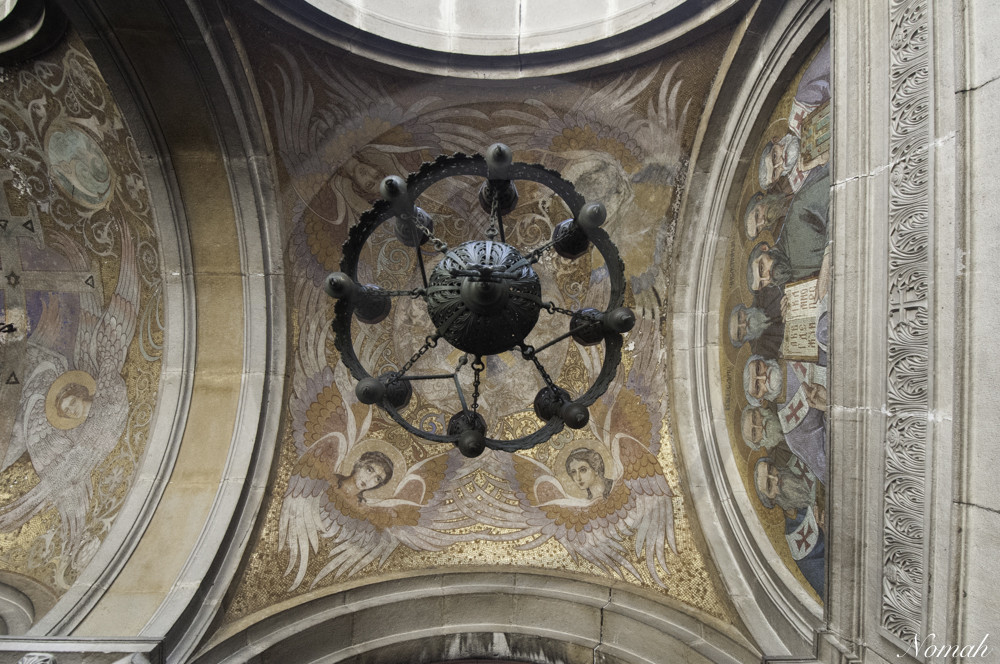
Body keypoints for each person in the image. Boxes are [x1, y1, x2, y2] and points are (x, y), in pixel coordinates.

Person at [743, 356, 828, 483]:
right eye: (757, 386)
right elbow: (827, 469)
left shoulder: (790, 349)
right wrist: (829, 409)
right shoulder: (792, 431)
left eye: (758, 368)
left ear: (762, 360)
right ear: (761, 400)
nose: (763, 378)